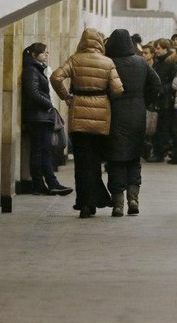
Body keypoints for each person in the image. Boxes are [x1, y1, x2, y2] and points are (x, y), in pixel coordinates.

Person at [50, 28, 124, 218]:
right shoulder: (107, 62)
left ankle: (84, 203)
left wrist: (66, 96)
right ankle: (94, 199)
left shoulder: (75, 59)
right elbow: (117, 89)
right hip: (101, 115)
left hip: (79, 112)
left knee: (82, 161)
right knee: (96, 160)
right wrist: (105, 96)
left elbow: (55, 77)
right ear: (99, 42)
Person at [104, 29, 162, 217]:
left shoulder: (108, 63)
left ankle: (118, 204)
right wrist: (144, 100)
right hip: (137, 113)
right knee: (134, 157)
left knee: (116, 157)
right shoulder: (140, 62)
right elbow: (156, 84)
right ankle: (133, 199)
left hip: (114, 113)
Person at [20, 43, 74, 197]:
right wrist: (49, 104)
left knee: (43, 151)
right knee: (41, 151)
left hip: (41, 116)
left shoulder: (37, 69)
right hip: (38, 117)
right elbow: (33, 92)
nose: (46, 55)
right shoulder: (31, 70)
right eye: (43, 52)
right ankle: (46, 183)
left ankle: (46, 184)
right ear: (34, 54)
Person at [149, 38, 177, 162]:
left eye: (158, 48)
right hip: (158, 98)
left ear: (166, 49)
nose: (156, 51)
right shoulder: (158, 62)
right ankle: (158, 150)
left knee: (162, 127)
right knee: (157, 127)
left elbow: (173, 82)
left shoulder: (170, 63)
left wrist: (162, 88)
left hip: (165, 99)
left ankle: (160, 151)